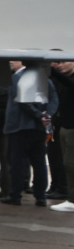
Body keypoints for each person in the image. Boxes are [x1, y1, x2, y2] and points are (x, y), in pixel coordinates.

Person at [2, 61, 58, 207]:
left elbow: (23, 101)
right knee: (39, 163)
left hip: (20, 127)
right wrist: (48, 115)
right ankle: (40, 196)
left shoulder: (16, 78)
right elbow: (53, 99)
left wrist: (39, 115)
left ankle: (15, 195)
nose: (11, 62)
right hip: (39, 129)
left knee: (17, 163)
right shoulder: (44, 78)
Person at [51, 62, 74, 202]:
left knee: (70, 163)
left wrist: (52, 70)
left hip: (71, 128)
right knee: (66, 162)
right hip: (64, 127)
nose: (61, 65)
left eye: (64, 61)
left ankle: (71, 198)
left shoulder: (68, 80)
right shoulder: (65, 80)